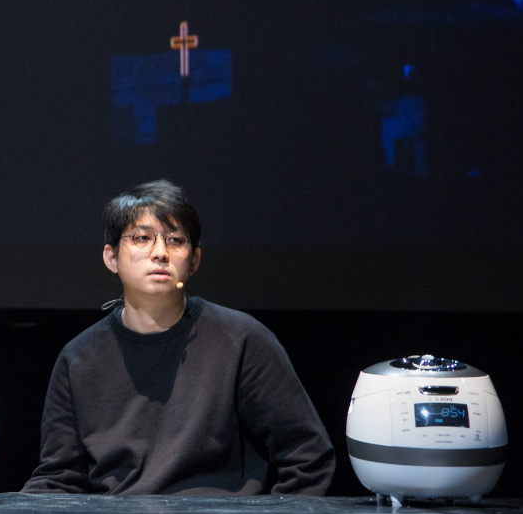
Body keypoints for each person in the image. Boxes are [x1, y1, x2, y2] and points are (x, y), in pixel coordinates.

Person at [22, 180, 335, 495]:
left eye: (175, 240)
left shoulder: (242, 341)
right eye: (142, 238)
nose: (160, 253)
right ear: (111, 258)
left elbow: (308, 458)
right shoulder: (78, 359)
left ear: (194, 260)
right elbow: (58, 479)